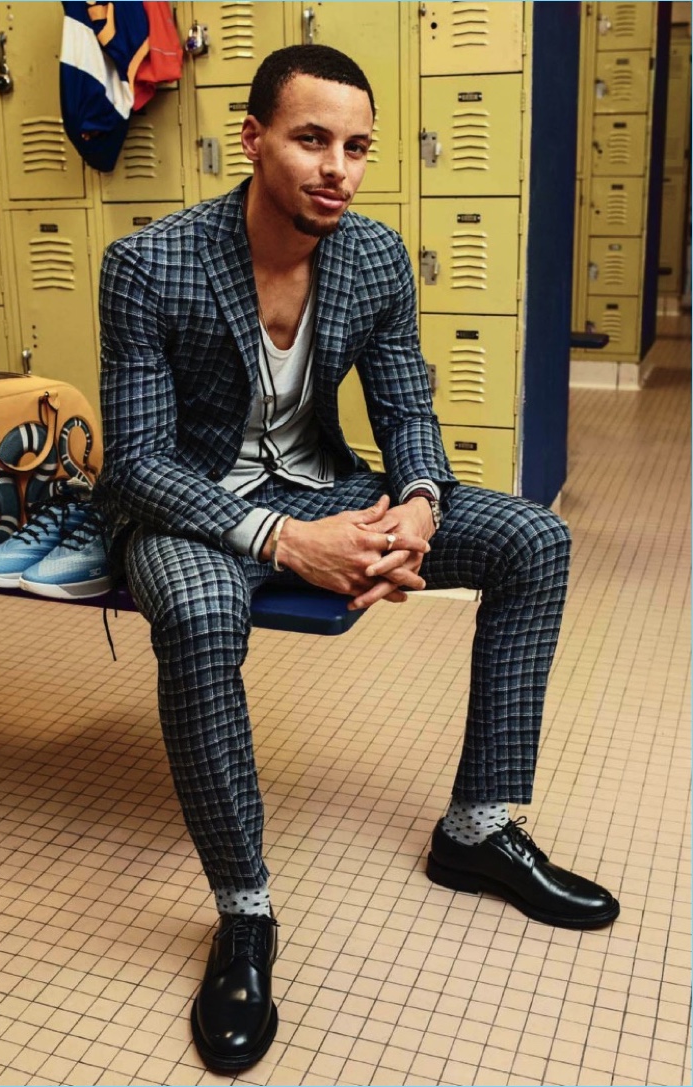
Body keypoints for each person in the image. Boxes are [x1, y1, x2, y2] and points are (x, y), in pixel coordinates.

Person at [96, 44, 619, 1075]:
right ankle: (243, 915)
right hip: (184, 510)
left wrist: (418, 504)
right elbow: (142, 464)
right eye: (309, 140)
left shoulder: (372, 258)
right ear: (251, 141)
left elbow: (405, 410)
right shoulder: (148, 263)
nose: (335, 166)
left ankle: (473, 828)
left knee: (531, 541)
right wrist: (288, 542)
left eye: (355, 147)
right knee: (201, 615)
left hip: (318, 484)